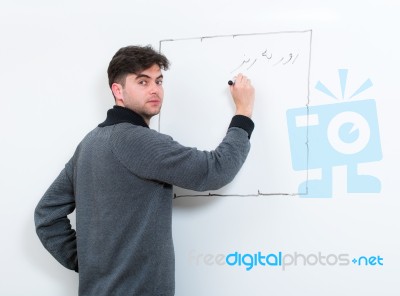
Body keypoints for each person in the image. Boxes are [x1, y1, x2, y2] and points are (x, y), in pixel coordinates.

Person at [34, 45, 255, 296]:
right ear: (118, 90)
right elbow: (216, 170)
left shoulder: (89, 143)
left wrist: (89, 264)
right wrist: (244, 113)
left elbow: (46, 215)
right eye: (142, 81)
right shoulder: (137, 140)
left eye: (158, 81)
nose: (154, 89)